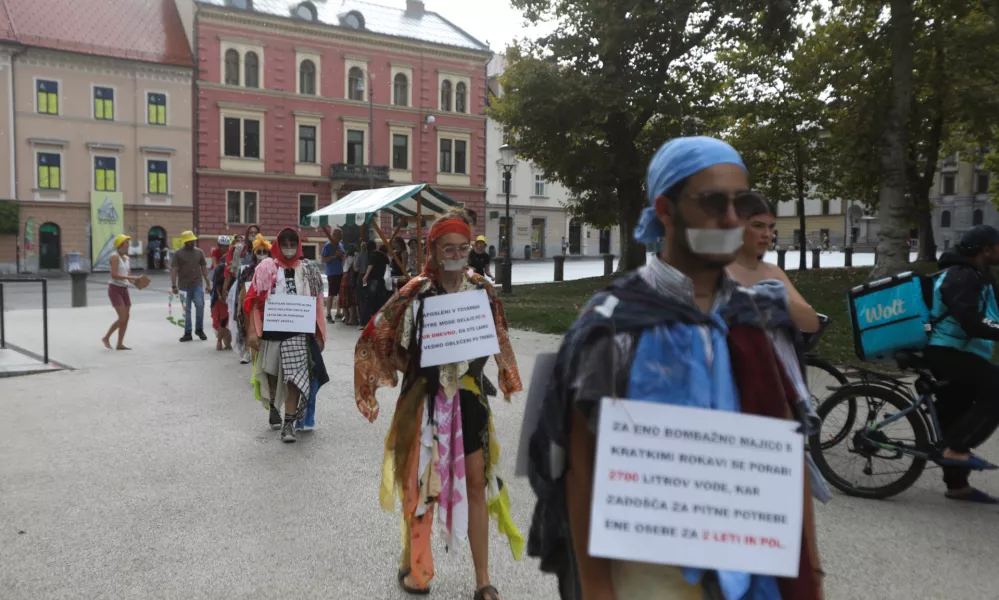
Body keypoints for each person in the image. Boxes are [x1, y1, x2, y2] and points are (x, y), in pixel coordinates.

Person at [526, 137, 824, 600]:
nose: (731, 220)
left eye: (740, 203)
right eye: (712, 202)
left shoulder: (759, 318)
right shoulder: (614, 322)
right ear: (665, 209)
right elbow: (579, 468)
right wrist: (598, 590)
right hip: (646, 576)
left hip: (750, 571)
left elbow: (788, 449)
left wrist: (810, 571)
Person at [354, 208, 524, 600]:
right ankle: (417, 569)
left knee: (479, 484)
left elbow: (499, 334)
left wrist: (504, 373)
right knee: (420, 487)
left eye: (464, 247)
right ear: (433, 249)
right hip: (425, 399)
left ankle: (483, 580)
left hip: (469, 398)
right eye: (449, 247)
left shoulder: (481, 289)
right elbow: (385, 340)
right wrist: (409, 365)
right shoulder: (416, 292)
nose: (458, 255)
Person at [924, 225, 999, 503]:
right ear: (986, 249)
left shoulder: (981, 275)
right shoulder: (959, 276)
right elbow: (970, 321)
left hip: (964, 352)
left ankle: (957, 486)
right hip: (947, 351)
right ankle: (956, 448)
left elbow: (991, 314)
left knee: (955, 412)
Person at [245, 227, 327, 442]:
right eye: (285, 243)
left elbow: (318, 303)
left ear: (298, 245)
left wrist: (319, 333)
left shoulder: (309, 269)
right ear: (278, 245)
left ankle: (288, 424)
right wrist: (254, 331)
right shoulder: (265, 267)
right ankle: (273, 406)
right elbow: (254, 300)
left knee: (295, 380)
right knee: (272, 377)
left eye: (293, 243)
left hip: (299, 334)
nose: (289, 248)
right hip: (272, 333)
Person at [727, 197, 820, 333]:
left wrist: (781, 298)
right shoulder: (717, 272)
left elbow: (812, 324)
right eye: (758, 226)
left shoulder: (773, 272)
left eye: (771, 227)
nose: (767, 234)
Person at [232, 235, 271, 364]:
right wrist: (239, 307)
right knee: (249, 327)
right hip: (250, 304)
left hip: (267, 305)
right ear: (254, 253)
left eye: (264, 252)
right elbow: (241, 289)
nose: (262, 254)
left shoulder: (274, 268)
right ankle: (249, 351)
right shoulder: (248, 270)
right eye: (259, 252)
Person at [171, 231, 212, 342]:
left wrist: (208, 282)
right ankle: (187, 333)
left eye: (193, 240)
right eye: (189, 241)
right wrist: (174, 285)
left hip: (197, 285)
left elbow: (204, 268)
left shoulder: (199, 252)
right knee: (186, 310)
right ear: (185, 241)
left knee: (200, 306)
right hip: (183, 286)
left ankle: (199, 329)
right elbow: (174, 269)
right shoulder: (178, 254)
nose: (192, 242)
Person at [102, 234, 140, 350]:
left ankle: (120, 343)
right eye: (126, 242)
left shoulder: (127, 258)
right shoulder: (114, 257)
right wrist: (130, 278)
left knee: (126, 317)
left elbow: (127, 275)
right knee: (122, 317)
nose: (128, 245)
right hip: (114, 289)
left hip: (124, 288)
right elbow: (114, 275)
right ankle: (106, 337)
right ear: (121, 244)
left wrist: (137, 281)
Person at [361, 242, 390, 328]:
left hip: (373, 280)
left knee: (369, 300)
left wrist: (365, 276)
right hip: (381, 280)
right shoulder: (386, 258)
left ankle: (365, 322)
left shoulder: (375, 254)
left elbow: (371, 265)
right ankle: (378, 321)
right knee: (379, 301)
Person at [321, 226, 346, 323]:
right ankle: (328, 314)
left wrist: (343, 257)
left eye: (341, 236)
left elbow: (343, 256)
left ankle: (338, 313)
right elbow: (323, 259)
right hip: (332, 273)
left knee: (341, 293)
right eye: (339, 236)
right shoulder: (328, 245)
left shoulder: (341, 245)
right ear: (334, 235)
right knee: (331, 293)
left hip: (341, 272)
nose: (341, 238)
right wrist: (335, 256)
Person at [338, 244, 358, 326]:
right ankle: (351, 319)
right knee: (352, 301)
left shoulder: (345, 258)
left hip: (344, 278)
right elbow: (355, 268)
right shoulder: (353, 258)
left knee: (344, 301)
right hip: (350, 279)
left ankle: (346, 319)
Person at [354, 239, 372, 330]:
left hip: (361, 276)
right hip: (370, 277)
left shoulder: (359, 255)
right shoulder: (370, 255)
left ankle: (362, 321)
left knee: (361, 300)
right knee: (368, 299)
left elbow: (356, 269)